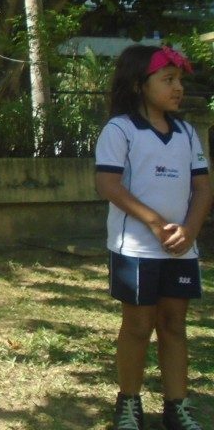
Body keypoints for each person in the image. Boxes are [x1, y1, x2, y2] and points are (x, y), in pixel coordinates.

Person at [95, 44, 211, 430]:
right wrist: (157, 223)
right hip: (137, 249)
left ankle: (177, 406)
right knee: (138, 326)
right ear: (139, 85)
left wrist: (189, 230)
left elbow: (204, 188)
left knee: (175, 325)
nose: (178, 88)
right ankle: (129, 402)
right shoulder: (120, 130)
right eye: (168, 80)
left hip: (181, 248)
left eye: (179, 80)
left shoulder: (187, 133)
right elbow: (108, 184)